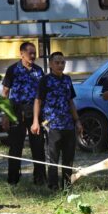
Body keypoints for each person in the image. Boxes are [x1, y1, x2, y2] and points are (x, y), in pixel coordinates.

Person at [31, 52, 83, 190]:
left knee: (68, 157)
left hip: (68, 124)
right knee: (53, 157)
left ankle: (67, 185)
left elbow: (70, 101)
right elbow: (38, 101)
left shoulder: (67, 79)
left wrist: (77, 120)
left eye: (62, 62)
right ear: (50, 64)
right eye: (57, 62)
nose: (60, 65)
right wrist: (35, 121)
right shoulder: (45, 80)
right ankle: (53, 185)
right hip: (52, 124)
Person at [1, 42, 46, 185]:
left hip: (35, 112)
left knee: (38, 147)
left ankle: (39, 179)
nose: (33, 56)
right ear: (22, 54)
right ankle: (13, 180)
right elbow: (5, 93)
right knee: (15, 147)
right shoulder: (12, 70)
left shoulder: (38, 71)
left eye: (34, 53)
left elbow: (43, 94)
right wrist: (5, 115)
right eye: (30, 53)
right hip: (16, 111)